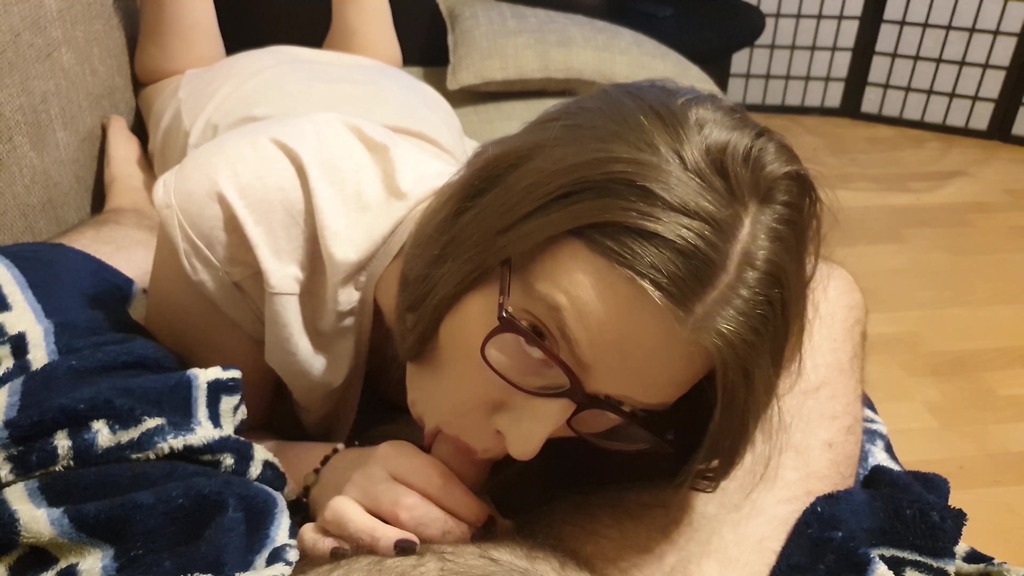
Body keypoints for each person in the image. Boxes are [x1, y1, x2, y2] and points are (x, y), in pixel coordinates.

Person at [120, 0, 866, 571]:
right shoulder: (238, 216)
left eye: (614, 409)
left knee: (374, 56)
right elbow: (204, 434)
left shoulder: (519, 254)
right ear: (480, 215)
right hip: (241, 103)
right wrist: (319, 466)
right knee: (173, 62)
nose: (530, 443)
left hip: (405, 113)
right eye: (537, 340)